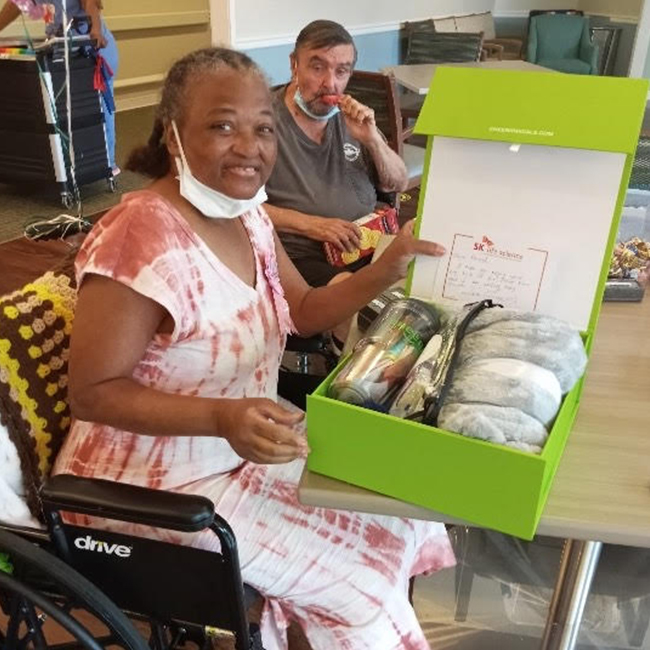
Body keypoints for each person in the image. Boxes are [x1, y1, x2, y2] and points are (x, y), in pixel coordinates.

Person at [52, 47, 454, 650]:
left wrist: (384, 269)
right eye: (222, 125)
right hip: (146, 487)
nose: (250, 146)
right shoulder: (139, 232)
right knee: (358, 590)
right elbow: (92, 392)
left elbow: (302, 310)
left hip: (241, 451)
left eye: (263, 128)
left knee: (395, 511)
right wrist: (221, 416)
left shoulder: (247, 217)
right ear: (173, 133)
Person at [265, 20, 408, 293]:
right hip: (302, 256)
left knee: (416, 293)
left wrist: (373, 140)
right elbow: (239, 208)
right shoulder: (262, 121)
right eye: (317, 67)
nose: (330, 84)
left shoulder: (354, 117)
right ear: (294, 64)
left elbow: (397, 183)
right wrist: (313, 226)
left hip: (369, 242)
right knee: (362, 305)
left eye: (341, 71)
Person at [0, 0, 119, 171]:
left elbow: (90, 3)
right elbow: (16, 5)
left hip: (90, 46)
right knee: (62, 110)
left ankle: (106, 164)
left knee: (97, 108)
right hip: (60, 46)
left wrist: (96, 28)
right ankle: (66, 165)